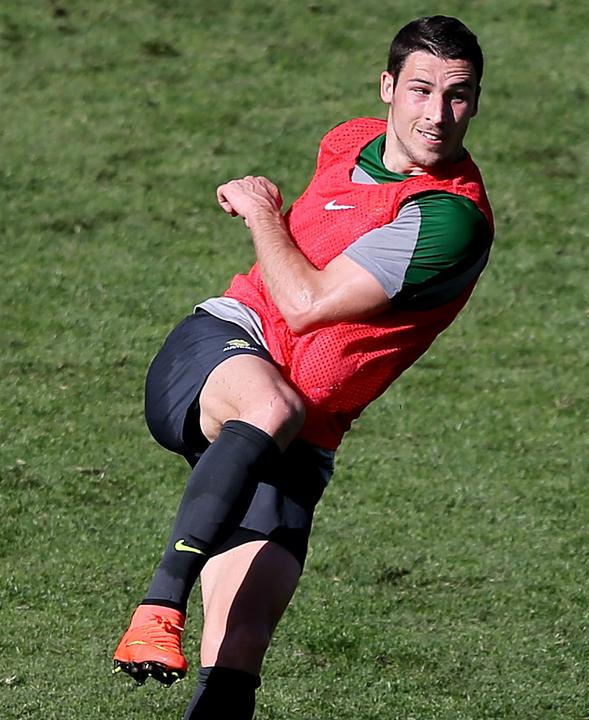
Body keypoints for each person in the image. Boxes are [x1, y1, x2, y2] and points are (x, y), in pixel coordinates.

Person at [111, 16, 493, 718]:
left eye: (459, 95)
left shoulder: (446, 219)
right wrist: (265, 216)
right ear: (388, 88)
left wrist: (262, 208)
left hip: (305, 438)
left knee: (240, 642)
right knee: (270, 406)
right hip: (222, 347)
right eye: (420, 90)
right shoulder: (348, 141)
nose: (437, 114)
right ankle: (158, 605)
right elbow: (285, 305)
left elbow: (309, 303)